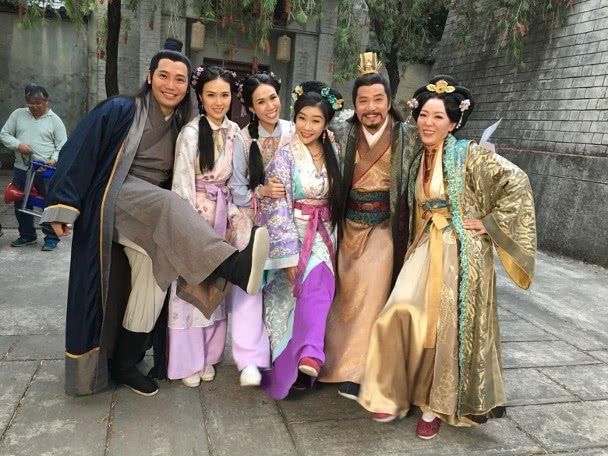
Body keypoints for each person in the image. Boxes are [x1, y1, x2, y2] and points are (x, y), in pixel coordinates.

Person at [40, 50, 270, 397]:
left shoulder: (183, 122)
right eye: (164, 76)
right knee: (168, 202)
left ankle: (125, 363)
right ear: (150, 77)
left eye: (179, 79)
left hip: (148, 217)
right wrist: (63, 204)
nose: (171, 85)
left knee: (155, 279)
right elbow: (79, 149)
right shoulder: (120, 110)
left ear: (186, 87)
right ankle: (232, 265)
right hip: (115, 196)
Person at [358, 76, 537, 439]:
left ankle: (433, 405)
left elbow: (516, 181)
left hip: (458, 250)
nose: (428, 123)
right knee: (399, 310)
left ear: (454, 123)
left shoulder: (469, 154)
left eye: (438, 117)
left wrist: (489, 223)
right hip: (425, 243)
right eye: (424, 115)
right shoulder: (418, 157)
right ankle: (391, 390)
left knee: (443, 329)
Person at [319, 53, 417, 400]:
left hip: (384, 228)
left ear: (389, 102)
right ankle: (330, 360)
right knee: (343, 296)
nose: (371, 108)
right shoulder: (340, 133)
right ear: (355, 104)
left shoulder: (409, 137)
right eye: (363, 101)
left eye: (378, 100)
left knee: (372, 292)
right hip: (347, 224)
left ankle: (359, 372)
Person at [167, 66, 270, 388]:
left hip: (225, 216)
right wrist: (188, 228)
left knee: (217, 289)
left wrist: (240, 219)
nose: (218, 101)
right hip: (196, 216)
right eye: (211, 95)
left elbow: (238, 180)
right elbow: (181, 185)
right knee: (191, 289)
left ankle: (210, 357)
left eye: (224, 95)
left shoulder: (235, 132)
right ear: (200, 97)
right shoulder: (189, 134)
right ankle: (188, 361)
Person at [260, 81, 343, 400]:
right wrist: (287, 257)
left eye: (315, 120)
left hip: (325, 233)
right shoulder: (284, 156)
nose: (307, 126)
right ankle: (293, 371)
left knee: (319, 287)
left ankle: (311, 352)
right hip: (293, 234)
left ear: (325, 124)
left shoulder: (334, 152)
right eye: (302, 118)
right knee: (288, 304)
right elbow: (276, 208)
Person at [0, 83, 67, 250]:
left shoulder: (54, 120)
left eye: (39, 103)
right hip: (22, 168)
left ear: (46, 101)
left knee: (49, 203)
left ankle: (51, 237)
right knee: (20, 201)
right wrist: (18, 145)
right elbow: (4, 134)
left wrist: (53, 160)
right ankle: (27, 235)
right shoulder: (18, 114)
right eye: (31, 103)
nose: (35, 106)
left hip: (45, 170)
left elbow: (63, 145)